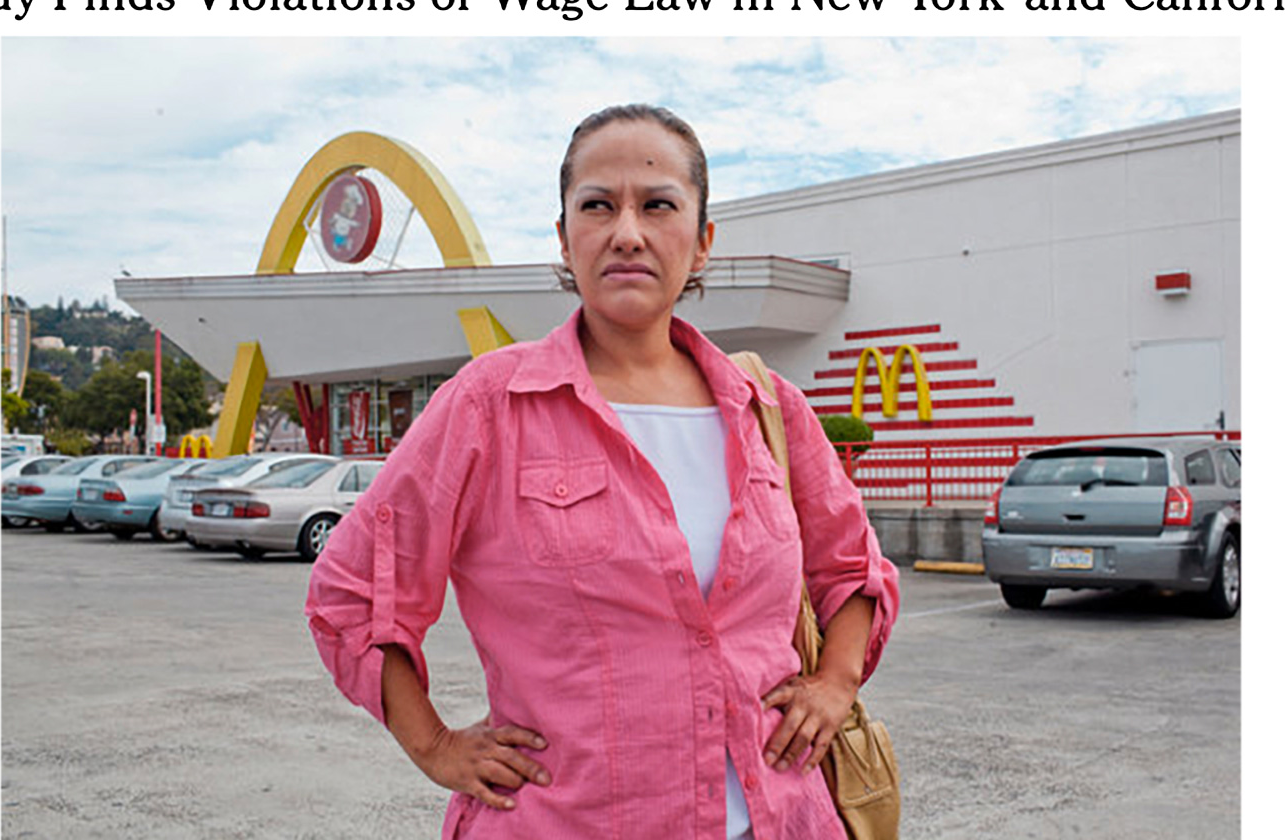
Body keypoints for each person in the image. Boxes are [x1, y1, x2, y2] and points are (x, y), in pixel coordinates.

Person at [306, 104, 900, 839]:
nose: (627, 232)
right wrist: (434, 746)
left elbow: (854, 570)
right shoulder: (490, 406)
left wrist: (836, 681)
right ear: (564, 237)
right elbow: (354, 591)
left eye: (658, 206)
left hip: (784, 820)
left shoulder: (767, 408)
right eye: (597, 205)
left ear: (703, 241)